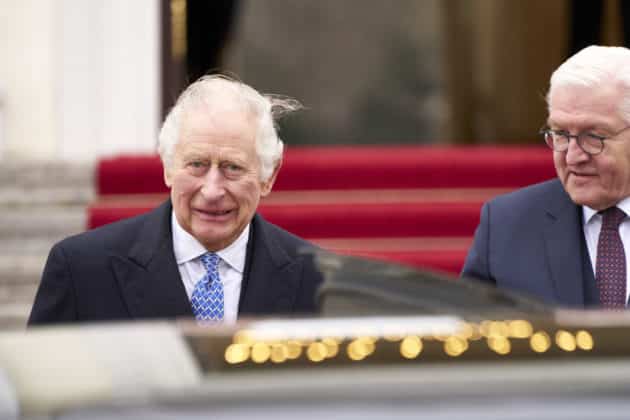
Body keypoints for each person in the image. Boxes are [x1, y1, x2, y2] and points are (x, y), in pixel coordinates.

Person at [28, 75, 323, 325]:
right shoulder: (82, 270)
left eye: (233, 168)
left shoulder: (317, 279)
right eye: (197, 164)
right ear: (168, 167)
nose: (212, 190)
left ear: (268, 176)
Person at [462, 45, 630, 309]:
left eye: (594, 136)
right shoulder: (507, 223)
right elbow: (473, 335)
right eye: (561, 134)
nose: (573, 156)